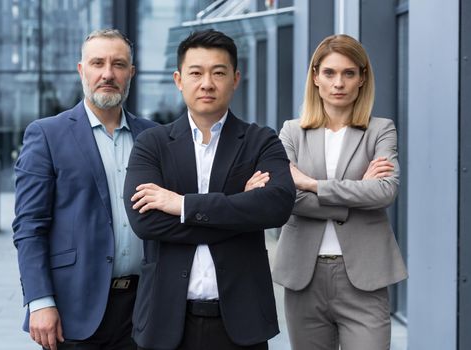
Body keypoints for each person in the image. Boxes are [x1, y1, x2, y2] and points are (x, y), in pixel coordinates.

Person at [122, 29, 296, 350]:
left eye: (218, 72)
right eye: (196, 72)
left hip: (241, 321)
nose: (207, 83)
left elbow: (277, 206)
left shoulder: (261, 140)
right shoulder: (153, 144)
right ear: (178, 79)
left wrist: (182, 205)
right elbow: (145, 222)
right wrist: (240, 208)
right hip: (167, 320)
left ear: (236, 78)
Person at [12, 29, 156, 350]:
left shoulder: (154, 136)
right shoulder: (47, 135)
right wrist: (39, 301)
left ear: (130, 72)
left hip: (146, 308)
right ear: (82, 70)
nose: (108, 74)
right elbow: (29, 227)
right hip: (75, 308)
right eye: (97, 63)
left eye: (118, 64)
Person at [272, 34, 408, 350]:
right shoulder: (292, 132)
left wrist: (311, 184)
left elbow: (385, 191)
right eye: (330, 73)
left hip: (364, 277)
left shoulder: (380, 130)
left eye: (349, 73)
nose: (339, 83)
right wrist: (357, 193)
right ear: (316, 76)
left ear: (362, 78)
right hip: (304, 276)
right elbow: (284, 196)